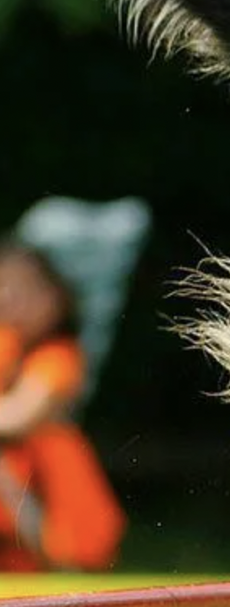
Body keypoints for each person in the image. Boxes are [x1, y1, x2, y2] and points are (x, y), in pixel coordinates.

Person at [0, 240, 125, 573]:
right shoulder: (5, 344)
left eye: (25, 290)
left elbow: (17, 417)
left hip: (41, 511)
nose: (9, 299)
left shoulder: (59, 359)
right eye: (4, 285)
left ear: (57, 300)